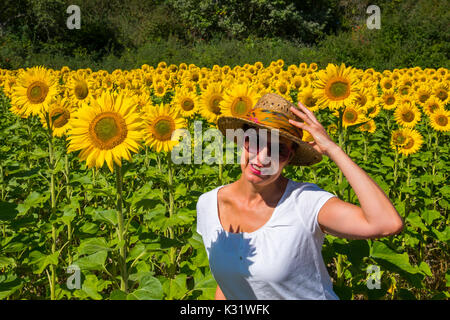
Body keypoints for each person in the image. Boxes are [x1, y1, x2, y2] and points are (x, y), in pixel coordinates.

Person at [195, 93, 404, 300]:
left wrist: (332, 148)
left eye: (279, 150)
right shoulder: (209, 205)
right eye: (255, 141)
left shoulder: (305, 203)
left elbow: (386, 223)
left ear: (290, 158)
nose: (262, 158)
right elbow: (228, 284)